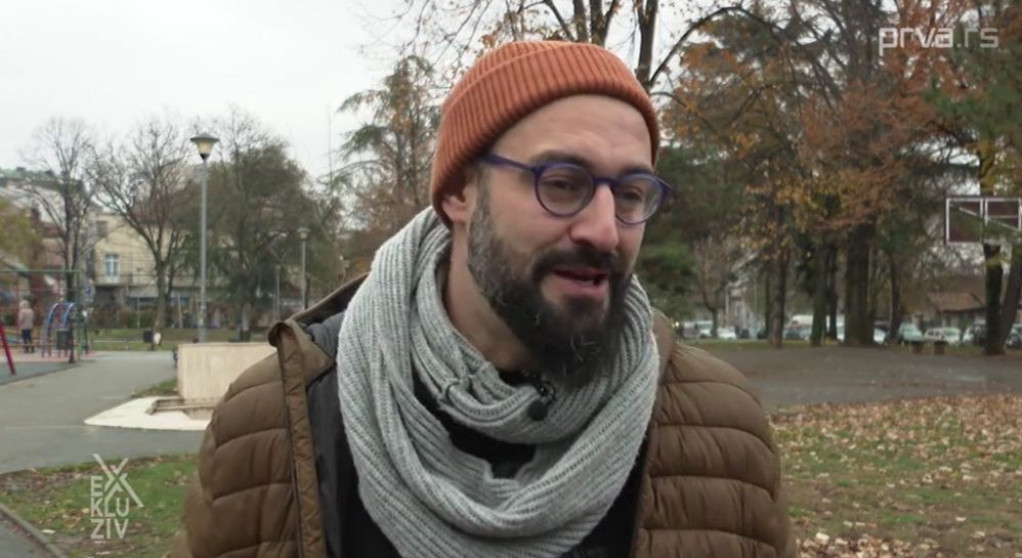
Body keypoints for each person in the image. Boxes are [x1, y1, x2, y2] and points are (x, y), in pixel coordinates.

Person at [169, 41, 794, 558]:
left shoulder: (720, 429)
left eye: (631, 194)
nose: (605, 230)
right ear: (459, 193)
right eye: (563, 183)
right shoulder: (279, 420)